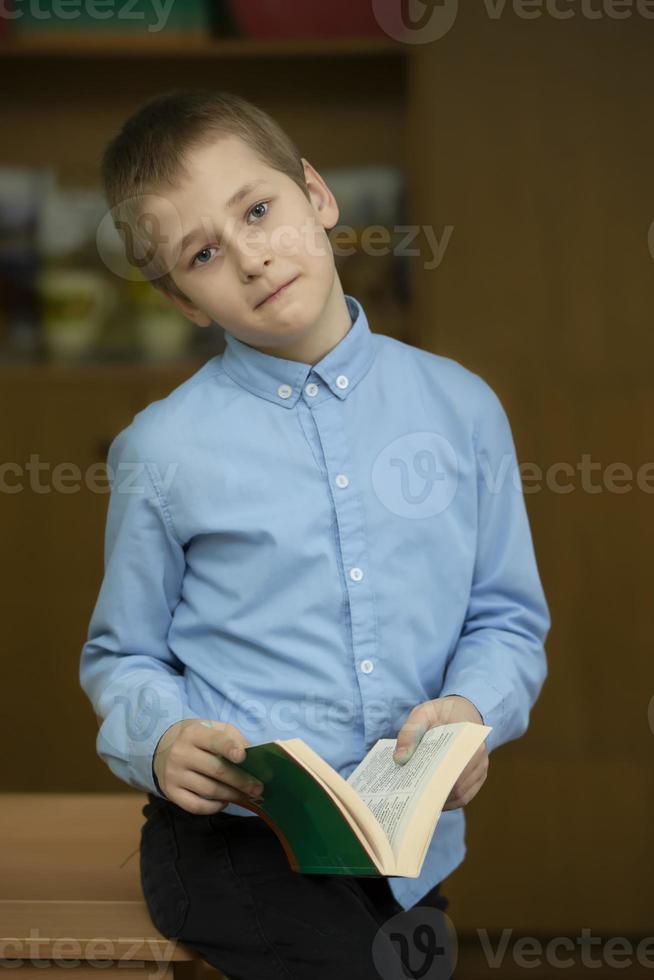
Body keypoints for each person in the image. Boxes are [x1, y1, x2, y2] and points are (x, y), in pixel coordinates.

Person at [79, 88, 550, 980]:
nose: (253, 257)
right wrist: (160, 739)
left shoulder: (461, 409)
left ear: (317, 196)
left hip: (403, 855)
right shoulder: (162, 449)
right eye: (205, 253)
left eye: (260, 210)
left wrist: (472, 713)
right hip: (231, 842)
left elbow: (506, 621)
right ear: (182, 298)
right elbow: (123, 655)